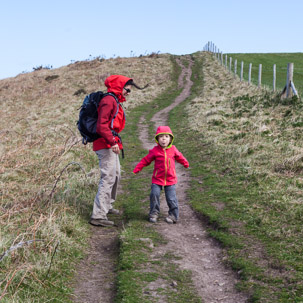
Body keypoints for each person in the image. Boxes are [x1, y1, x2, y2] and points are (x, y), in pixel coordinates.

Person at [89, 75, 148, 227]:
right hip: (105, 143)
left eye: (130, 90)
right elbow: (102, 126)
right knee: (108, 177)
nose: (129, 92)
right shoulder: (109, 100)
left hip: (110, 142)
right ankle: (98, 215)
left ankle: (107, 206)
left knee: (115, 175)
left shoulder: (114, 100)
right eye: (127, 89)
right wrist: (112, 141)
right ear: (119, 86)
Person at [133, 126, 189, 224]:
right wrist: (138, 168)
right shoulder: (155, 151)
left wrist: (185, 163)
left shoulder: (173, 149)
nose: (164, 139)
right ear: (157, 139)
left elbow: (180, 157)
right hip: (157, 179)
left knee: (171, 198)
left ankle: (173, 215)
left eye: (166, 137)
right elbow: (146, 160)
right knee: (154, 194)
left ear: (170, 139)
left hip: (170, 179)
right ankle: (154, 213)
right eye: (161, 137)